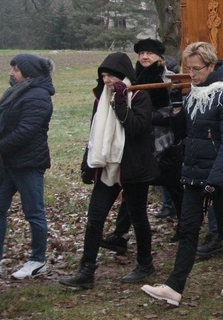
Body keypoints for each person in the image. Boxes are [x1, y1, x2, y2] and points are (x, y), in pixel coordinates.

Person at [141, 42, 223, 305]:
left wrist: (216, 179)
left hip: (218, 175)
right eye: (188, 68)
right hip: (193, 171)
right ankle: (174, 287)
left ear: (211, 66)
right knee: (188, 229)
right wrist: (177, 105)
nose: (191, 73)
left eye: (196, 69)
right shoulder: (195, 91)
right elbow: (184, 132)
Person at [60, 53, 158, 289]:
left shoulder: (141, 96)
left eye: (111, 75)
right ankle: (86, 271)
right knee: (95, 218)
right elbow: (95, 132)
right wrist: (87, 163)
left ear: (123, 75)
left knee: (138, 217)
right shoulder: (101, 98)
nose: (106, 80)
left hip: (133, 168)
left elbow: (135, 128)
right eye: (103, 75)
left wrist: (122, 101)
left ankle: (145, 264)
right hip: (107, 167)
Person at [101, 38, 183, 255]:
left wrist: (147, 116)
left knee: (174, 186)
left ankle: (187, 227)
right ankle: (121, 234)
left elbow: (175, 111)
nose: (145, 57)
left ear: (159, 56)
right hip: (140, 142)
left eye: (150, 53)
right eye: (141, 53)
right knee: (134, 187)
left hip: (165, 143)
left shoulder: (169, 79)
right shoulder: (134, 79)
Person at [0, 54, 54, 280]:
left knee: (34, 212)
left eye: (15, 70)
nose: (11, 73)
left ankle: (38, 260)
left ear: (28, 74)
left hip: (29, 164)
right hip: (9, 163)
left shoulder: (38, 96)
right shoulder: (18, 92)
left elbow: (25, 132)